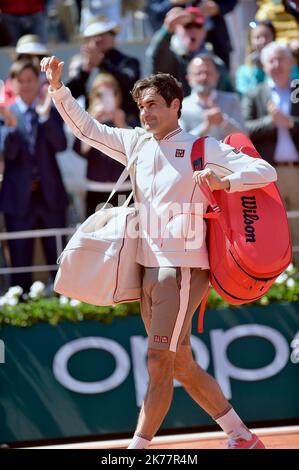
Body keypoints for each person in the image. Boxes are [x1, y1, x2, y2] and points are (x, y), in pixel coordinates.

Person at [41, 55, 277, 449]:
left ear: (174, 106)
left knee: (157, 360)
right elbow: (87, 130)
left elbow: (264, 171)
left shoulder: (203, 147)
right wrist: (57, 88)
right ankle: (241, 435)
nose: (145, 112)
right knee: (179, 361)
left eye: (153, 104)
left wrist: (226, 180)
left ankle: (139, 447)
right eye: (141, 106)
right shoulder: (135, 143)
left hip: (182, 270)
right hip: (148, 269)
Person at [0, 60, 68, 291]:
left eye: (31, 80)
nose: (27, 85)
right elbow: (7, 154)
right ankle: (22, 308)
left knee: (58, 259)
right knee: (20, 262)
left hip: (50, 197)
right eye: (22, 80)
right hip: (19, 201)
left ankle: (65, 304)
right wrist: (9, 127)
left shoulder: (49, 108)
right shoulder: (6, 113)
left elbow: (61, 144)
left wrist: (45, 117)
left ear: (37, 82)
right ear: (13, 84)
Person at [241, 41, 299, 267]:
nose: (276, 65)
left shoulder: (298, 90)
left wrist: (290, 123)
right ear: (263, 66)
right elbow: (244, 129)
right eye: (271, 61)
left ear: (290, 62)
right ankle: (282, 278)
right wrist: (271, 122)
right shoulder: (255, 94)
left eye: (281, 59)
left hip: (296, 169)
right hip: (268, 172)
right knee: (275, 227)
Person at [73, 72, 134, 217]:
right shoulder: (86, 119)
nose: (105, 98)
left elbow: (135, 150)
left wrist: (122, 124)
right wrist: (92, 121)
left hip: (125, 188)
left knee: (127, 236)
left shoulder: (127, 117)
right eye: (99, 94)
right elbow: (82, 150)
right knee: (96, 235)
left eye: (109, 93)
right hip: (96, 188)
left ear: (117, 95)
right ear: (92, 96)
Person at [66, 15, 140, 122]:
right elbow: (70, 95)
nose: (97, 40)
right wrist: (85, 71)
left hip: (125, 124)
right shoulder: (85, 67)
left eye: (102, 34)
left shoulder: (129, 62)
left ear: (113, 36)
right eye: (92, 36)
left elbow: (131, 86)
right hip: (95, 126)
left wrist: (101, 63)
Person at [146, 5, 233, 96]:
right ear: (177, 30)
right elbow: (154, 57)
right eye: (187, 26)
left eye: (198, 26)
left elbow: (229, 97)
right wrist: (166, 30)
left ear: (205, 31)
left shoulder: (215, 63)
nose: (193, 30)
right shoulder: (170, 57)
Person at [181, 53, 245, 139]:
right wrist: (205, 127)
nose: (204, 77)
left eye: (208, 73)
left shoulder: (231, 100)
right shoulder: (182, 107)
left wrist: (222, 120)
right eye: (199, 73)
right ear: (189, 78)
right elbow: (180, 143)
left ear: (216, 76)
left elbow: (244, 137)